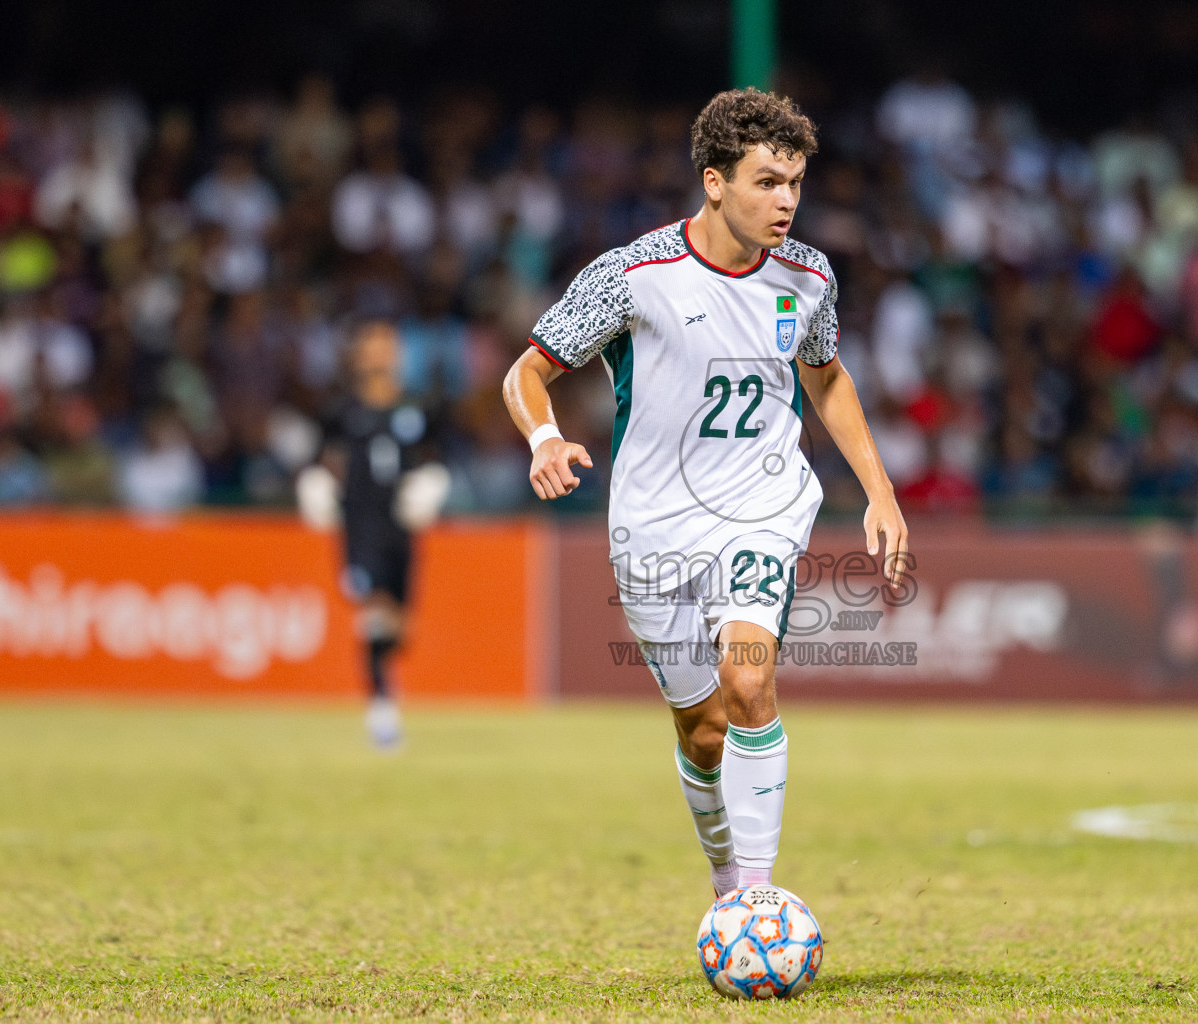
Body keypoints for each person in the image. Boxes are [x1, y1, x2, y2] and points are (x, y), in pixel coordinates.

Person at [503, 89, 909, 898]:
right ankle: (726, 876)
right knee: (703, 731)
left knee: (749, 683)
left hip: (760, 508)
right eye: (767, 182)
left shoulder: (810, 276)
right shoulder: (632, 275)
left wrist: (880, 490)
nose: (786, 201)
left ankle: (755, 897)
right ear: (715, 182)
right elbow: (527, 372)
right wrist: (545, 437)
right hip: (652, 524)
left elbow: (826, 379)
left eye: (795, 184)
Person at [296, 321, 450, 748]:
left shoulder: (416, 408)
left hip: (401, 530)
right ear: (358, 356)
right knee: (373, 611)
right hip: (360, 527)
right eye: (372, 346)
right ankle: (382, 709)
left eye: (387, 346)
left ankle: (383, 687)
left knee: (399, 630)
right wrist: (317, 487)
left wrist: (432, 484)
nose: (380, 354)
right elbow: (319, 460)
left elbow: (434, 458)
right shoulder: (341, 412)